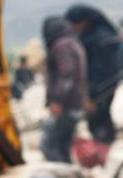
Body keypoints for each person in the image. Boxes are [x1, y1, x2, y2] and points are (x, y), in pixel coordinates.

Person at [65, 5, 122, 146]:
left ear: (85, 21)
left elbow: (105, 72)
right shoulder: (87, 36)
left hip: (101, 90)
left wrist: (93, 97)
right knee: (96, 122)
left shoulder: (103, 39)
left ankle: (103, 153)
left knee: (100, 121)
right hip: (93, 88)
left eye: (75, 23)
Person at [41, 17, 88, 163]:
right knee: (63, 146)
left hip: (66, 106)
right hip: (74, 104)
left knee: (48, 145)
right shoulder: (73, 43)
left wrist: (57, 101)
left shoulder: (61, 46)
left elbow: (67, 74)